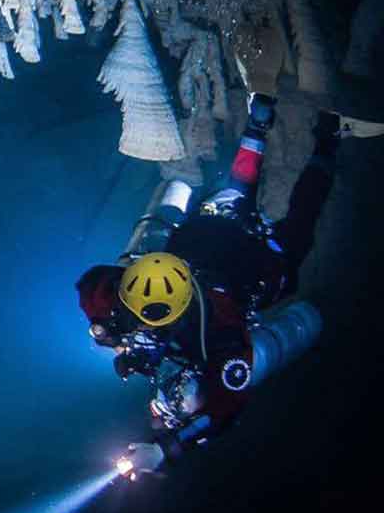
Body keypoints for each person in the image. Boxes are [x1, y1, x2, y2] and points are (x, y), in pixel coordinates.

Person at [76, 93, 380, 478]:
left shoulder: (219, 328)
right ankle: (258, 123)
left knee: (299, 223)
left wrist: (167, 451)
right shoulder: (144, 278)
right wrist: (121, 343)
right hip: (206, 233)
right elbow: (96, 287)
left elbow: (226, 405)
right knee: (237, 191)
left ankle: (328, 140)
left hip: (258, 264)